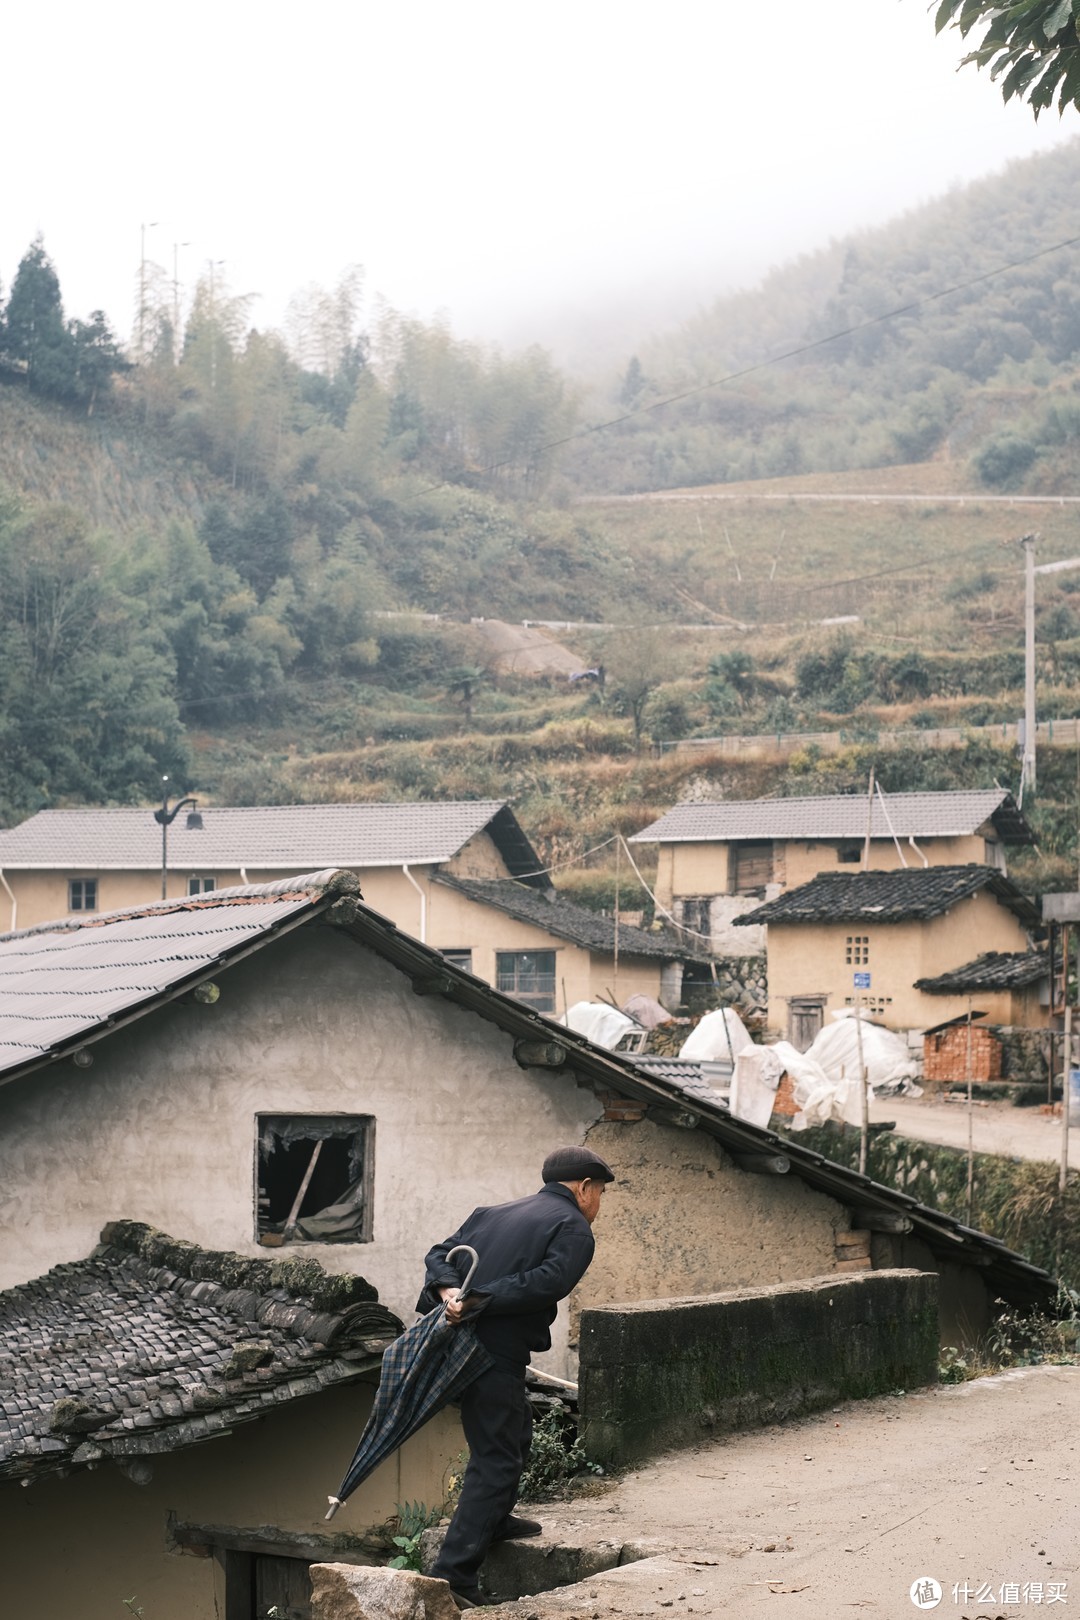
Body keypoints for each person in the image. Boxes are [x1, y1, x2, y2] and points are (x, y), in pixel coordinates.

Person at [416, 1145, 615, 1610]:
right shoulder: (573, 1227)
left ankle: (496, 1518)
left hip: (456, 1348)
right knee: (498, 1455)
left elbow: (439, 1253)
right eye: (600, 1192)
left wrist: (451, 1289)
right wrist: (474, 1299)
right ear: (584, 1188)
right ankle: (453, 1578)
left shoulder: (492, 1212)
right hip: (493, 1351)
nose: (599, 1203)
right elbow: (547, 1281)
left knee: (513, 1432)